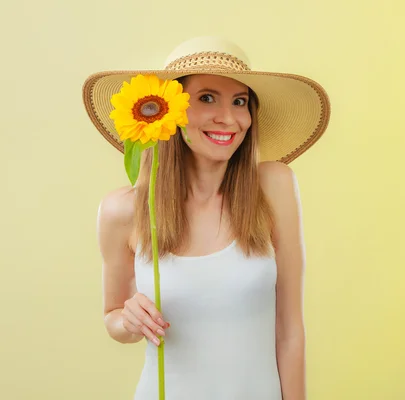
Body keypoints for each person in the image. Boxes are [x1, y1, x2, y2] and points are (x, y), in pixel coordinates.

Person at [82, 36, 330, 399]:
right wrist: (127, 319)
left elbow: (290, 333)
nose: (228, 118)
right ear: (168, 111)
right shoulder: (123, 211)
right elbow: (113, 317)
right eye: (206, 98)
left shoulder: (273, 186)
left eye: (240, 102)